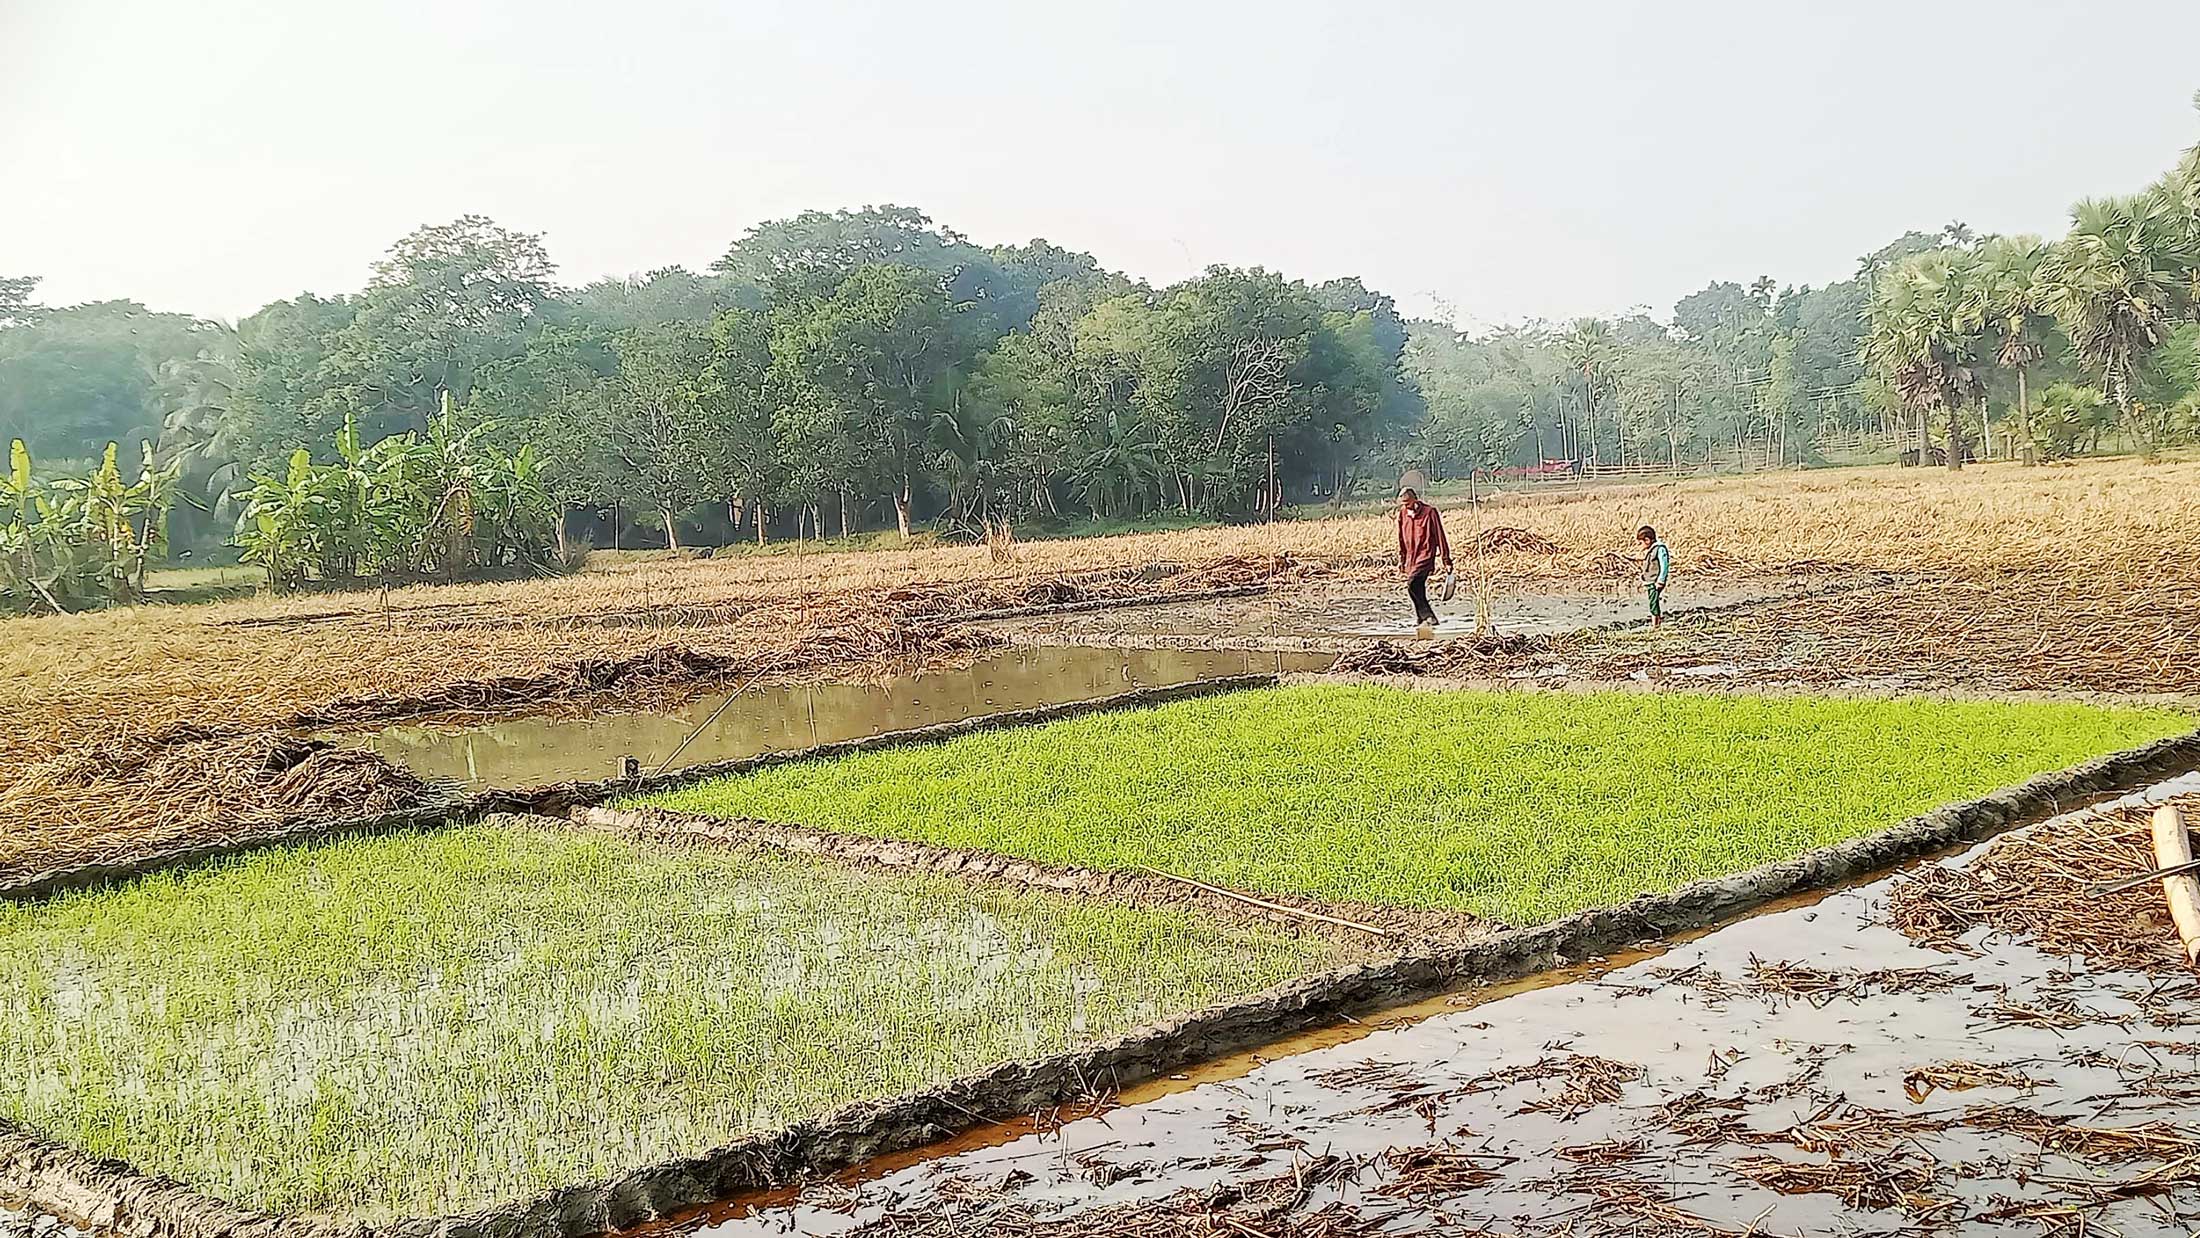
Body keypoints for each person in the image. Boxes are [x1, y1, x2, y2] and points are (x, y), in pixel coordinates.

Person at [1397, 486, 1452, 630]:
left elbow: (1440, 535)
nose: (1406, 506)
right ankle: (1422, 618)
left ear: (1415, 499)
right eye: (1403, 503)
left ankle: (1427, 616)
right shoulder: (1402, 514)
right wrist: (1402, 560)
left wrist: (1446, 559)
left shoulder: (1429, 512)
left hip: (1425, 555)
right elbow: (1401, 538)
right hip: (1411, 557)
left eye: (1408, 503)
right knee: (1418, 588)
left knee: (1412, 584)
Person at [1637, 524, 1671, 627]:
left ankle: (1656, 624)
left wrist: (1661, 580)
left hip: (1655, 581)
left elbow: (1664, 565)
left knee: (1653, 602)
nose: (1640, 546)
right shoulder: (1652, 550)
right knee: (1653, 601)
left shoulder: (1659, 549)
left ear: (1647, 540)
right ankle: (1656, 622)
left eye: (1640, 543)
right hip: (1650, 581)